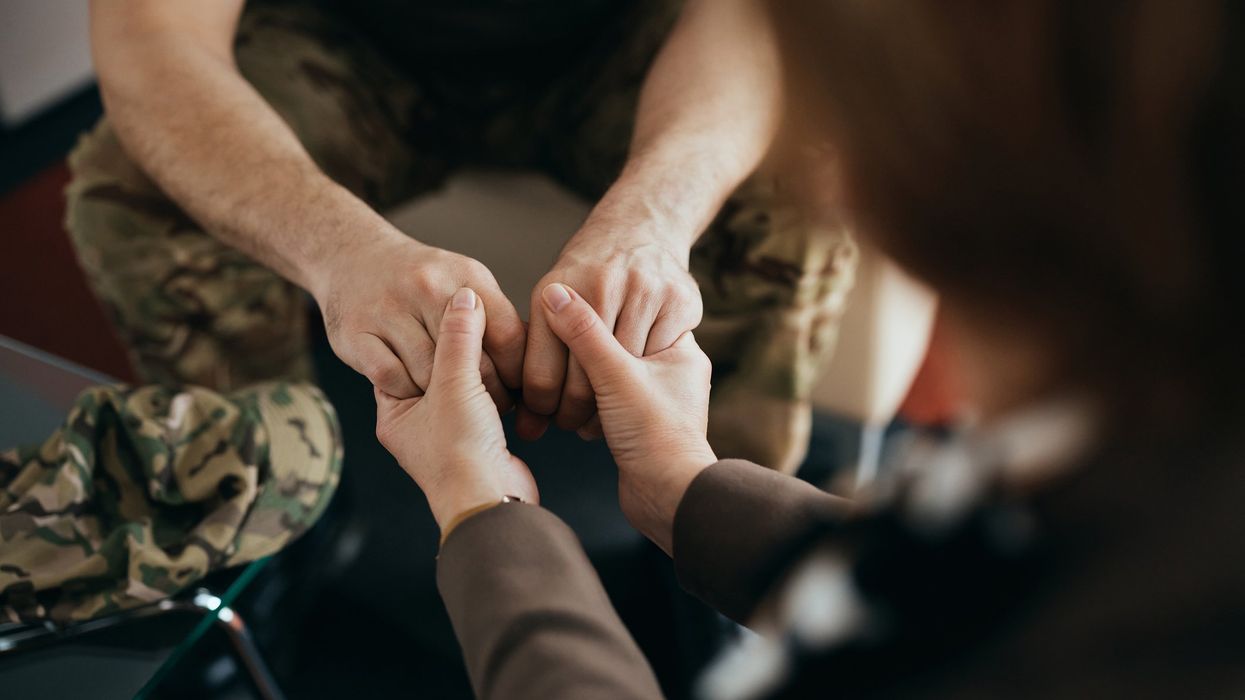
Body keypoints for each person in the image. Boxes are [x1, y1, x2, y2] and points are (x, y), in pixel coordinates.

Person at [373, 0, 1245, 697]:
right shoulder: (1144, 482)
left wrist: (484, 517)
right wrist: (684, 485)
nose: (819, 179)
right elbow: (949, 592)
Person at [66, 0, 858, 473]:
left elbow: (758, 15)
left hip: (619, 42)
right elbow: (152, 34)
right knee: (130, 191)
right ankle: (265, 513)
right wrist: (339, 250)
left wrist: (651, 221)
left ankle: (721, 522)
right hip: (350, 42)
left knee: (804, 182)